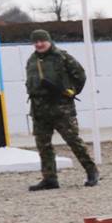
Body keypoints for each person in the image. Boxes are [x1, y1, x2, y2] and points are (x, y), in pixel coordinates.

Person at [24, 29, 98, 191]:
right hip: (39, 109)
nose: (39, 44)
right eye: (35, 42)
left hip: (61, 107)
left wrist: (71, 91)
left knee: (74, 141)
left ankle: (91, 171)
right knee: (43, 145)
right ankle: (50, 178)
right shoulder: (32, 60)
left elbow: (80, 75)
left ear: (49, 40)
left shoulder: (62, 57)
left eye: (42, 40)